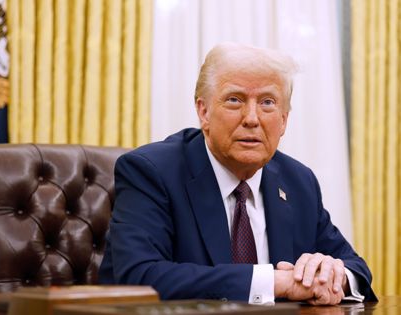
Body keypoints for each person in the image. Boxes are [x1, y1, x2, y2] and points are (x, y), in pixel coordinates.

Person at [99, 43, 376, 305]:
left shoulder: (298, 182)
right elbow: (139, 279)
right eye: (234, 99)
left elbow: (356, 269)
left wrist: (333, 275)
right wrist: (276, 282)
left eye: (267, 102)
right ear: (203, 112)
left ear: (283, 121)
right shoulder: (151, 172)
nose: (252, 118)